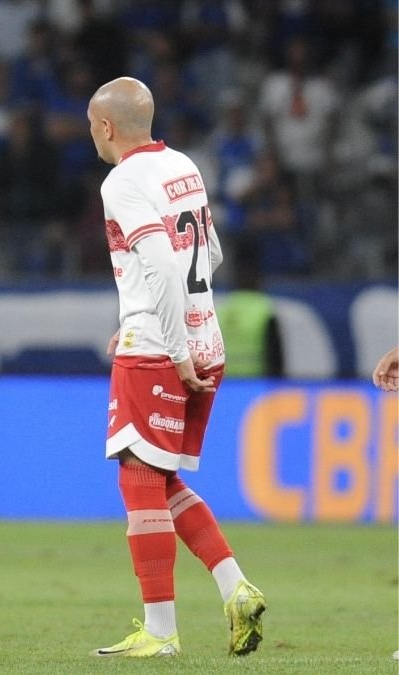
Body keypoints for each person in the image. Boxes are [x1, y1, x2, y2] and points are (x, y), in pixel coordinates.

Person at [85, 77, 266, 658]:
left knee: (139, 480)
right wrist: (177, 327)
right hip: (204, 339)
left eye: (93, 126)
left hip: (163, 350)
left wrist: (172, 344)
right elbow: (208, 253)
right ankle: (235, 589)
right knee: (163, 481)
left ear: (106, 127)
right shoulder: (181, 165)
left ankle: (160, 632)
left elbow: (162, 262)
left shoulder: (122, 180)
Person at [217, 240, 284, 378]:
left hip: (224, 384)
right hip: (256, 382)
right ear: (258, 277)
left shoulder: (221, 309)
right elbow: (276, 357)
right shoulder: (265, 309)